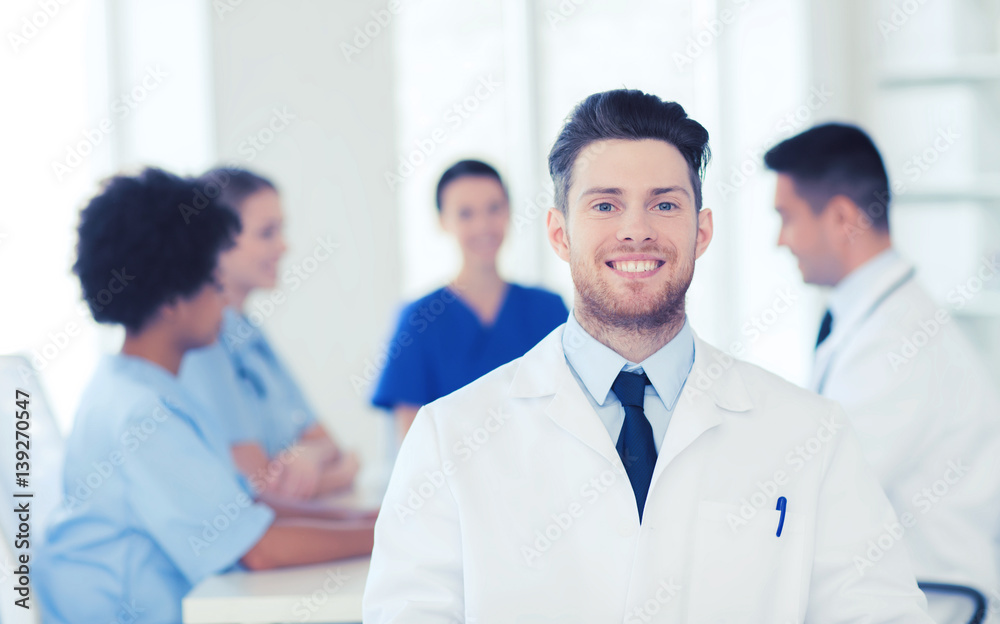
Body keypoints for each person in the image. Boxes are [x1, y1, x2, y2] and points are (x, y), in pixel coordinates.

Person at [363, 90, 933, 621]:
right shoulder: (448, 439)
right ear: (559, 234)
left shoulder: (812, 435)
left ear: (701, 231)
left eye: (664, 204)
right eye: (606, 205)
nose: (635, 231)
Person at [38, 168, 374, 624]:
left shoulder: (145, 386)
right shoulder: (141, 413)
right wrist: (388, 533)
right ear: (172, 300)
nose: (223, 300)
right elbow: (260, 551)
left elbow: (250, 507)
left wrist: (373, 520)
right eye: (213, 285)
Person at [765, 124, 1000, 611]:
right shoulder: (872, 321)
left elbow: (822, 493)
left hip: (933, 603)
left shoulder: (900, 342)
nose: (780, 241)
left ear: (843, 217)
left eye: (787, 218)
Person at [180, 168, 359, 501]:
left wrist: (309, 456)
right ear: (215, 243)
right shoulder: (201, 347)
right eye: (267, 233)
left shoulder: (251, 335)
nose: (284, 246)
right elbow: (261, 490)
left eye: (281, 230)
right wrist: (341, 474)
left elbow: (328, 445)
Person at [370, 159, 567, 442]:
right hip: (451, 482)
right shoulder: (419, 320)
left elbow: (571, 409)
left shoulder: (548, 310)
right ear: (442, 221)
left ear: (509, 212)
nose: (483, 225)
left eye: (494, 208)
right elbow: (413, 446)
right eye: (465, 214)